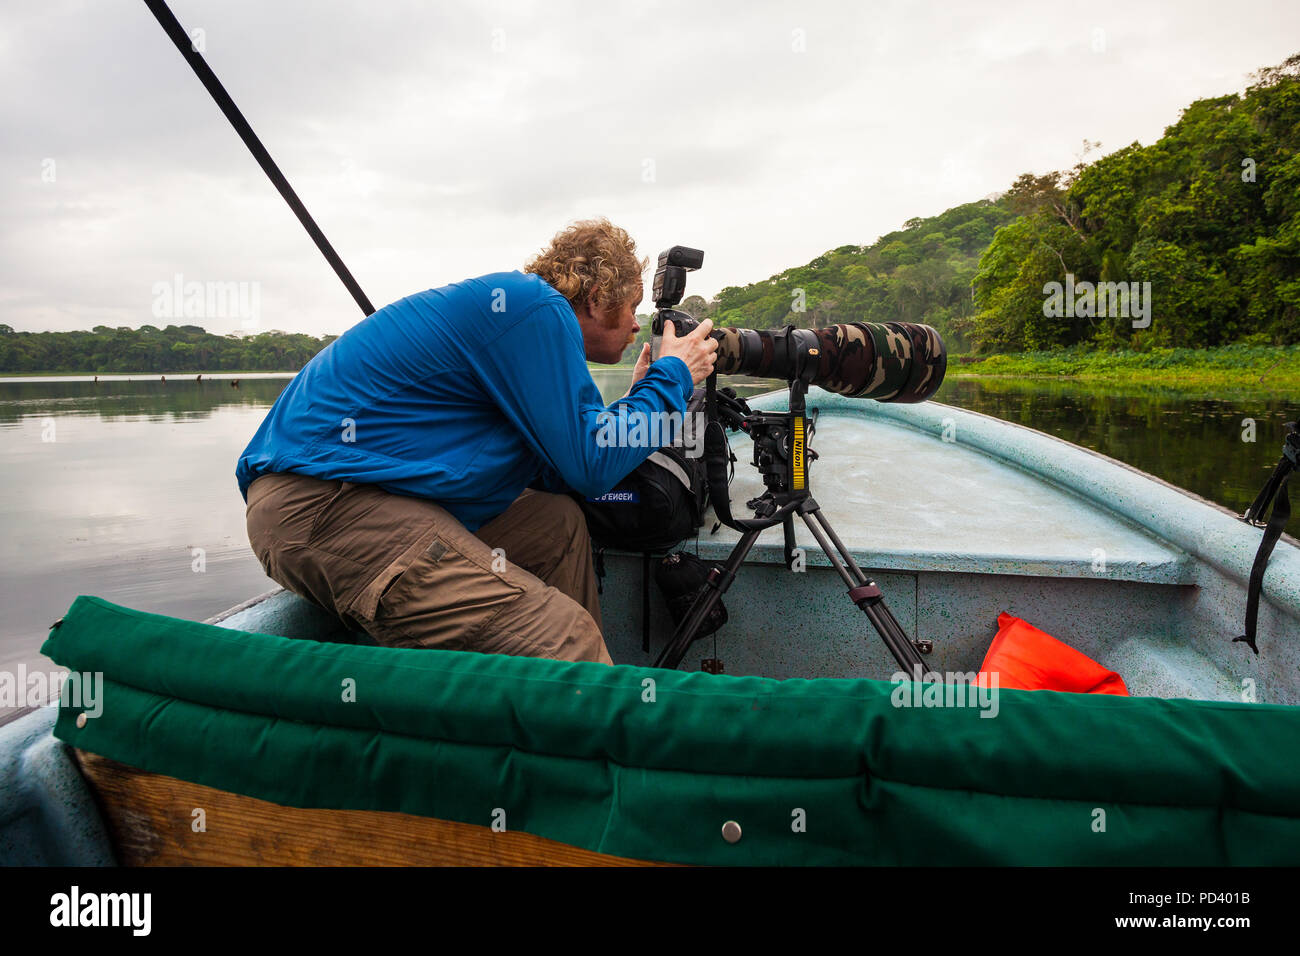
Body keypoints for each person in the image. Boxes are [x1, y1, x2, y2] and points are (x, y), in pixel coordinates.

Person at [236, 218, 717, 664]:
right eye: (631, 307)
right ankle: (573, 681)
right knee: (565, 636)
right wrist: (674, 375)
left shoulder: (525, 323)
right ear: (594, 297)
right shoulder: (535, 308)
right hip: (320, 506)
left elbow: (565, 470)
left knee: (558, 522)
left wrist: (642, 397)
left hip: (365, 499)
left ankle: (546, 708)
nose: (637, 325)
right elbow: (591, 464)